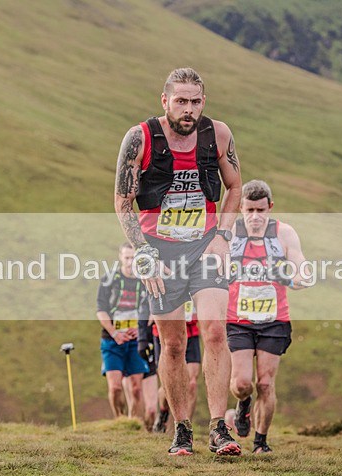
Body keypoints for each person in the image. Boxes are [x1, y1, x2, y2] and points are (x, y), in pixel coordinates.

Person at [114, 67, 243, 456]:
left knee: (215, 330)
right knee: (172, 345)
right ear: (165, 100)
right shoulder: (140, 138)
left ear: (204, 102)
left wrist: (222, 236)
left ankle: (219, 428)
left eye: (196, 101)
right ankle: (182, 430)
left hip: (205, 246)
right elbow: (123, 201)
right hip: (160, 251)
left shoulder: (218, 134)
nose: (189, 109)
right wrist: (145, 253)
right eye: (181, 101)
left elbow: (235, 187)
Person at [227, 180, 312, 453]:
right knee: (242, 384)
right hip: (237, 318)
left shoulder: (284, 233)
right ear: (240, 208)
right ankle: (243, 404)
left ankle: (260, 443)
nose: (255, 216)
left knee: (265, 382)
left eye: (261, 210)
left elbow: (301, 266)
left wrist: (298, 278)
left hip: (275, 319)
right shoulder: (228, 232)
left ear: (270, 207)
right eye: (249, 210)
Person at [96, 243, 149, 419]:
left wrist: (141, 329)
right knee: (115, 386)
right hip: (112, 340)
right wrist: (114, 333)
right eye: (126, 257)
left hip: (135, 340)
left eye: (133, 258)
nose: (129, 262)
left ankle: (132, 424)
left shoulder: (146, 281)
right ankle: (119, 419)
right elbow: (101, 310)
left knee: (136, 388)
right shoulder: (109, 280)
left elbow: (154, 310)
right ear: (120, 257)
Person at [151, 300, 203, 433]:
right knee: (168, 384)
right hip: (166, 335)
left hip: (191, 333)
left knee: (191, 383)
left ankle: (185, 430)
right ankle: (163, 412)